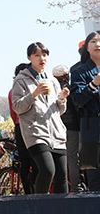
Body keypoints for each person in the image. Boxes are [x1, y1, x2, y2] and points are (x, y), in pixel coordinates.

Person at [12, 42, 69, 194]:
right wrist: (34, 94)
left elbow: (60, 110)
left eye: (44, 54)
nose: (41, 58)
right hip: (36, 132)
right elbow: (17, 107)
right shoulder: (21, 80)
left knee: (62, 175)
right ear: (29, 57)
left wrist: (62, 99)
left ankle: (62, 209)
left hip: (56, 133)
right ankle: (40, 206)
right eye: (37, 55)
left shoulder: (53, 80)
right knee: (48, 170)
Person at [71, 30, 100, 191]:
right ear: (86, 47)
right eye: (94, 41)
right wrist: (94, 84)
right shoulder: (78, 72)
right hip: (92, 127)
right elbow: (77, 100)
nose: (98, 44)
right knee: (95, 178)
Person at [8, 62, 37, 194]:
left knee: (26, 162)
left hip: (19, 128)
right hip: (25, 127)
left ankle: (29, 191)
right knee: (33, 161)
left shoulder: (12, 91)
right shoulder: (19, 90)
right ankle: (33, 190)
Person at [54, 64, 81, 192]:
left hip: (58, 129)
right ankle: (76, 187)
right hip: (73, 128)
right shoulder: (69, 89)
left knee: (64, 159)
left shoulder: (53, 90)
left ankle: (66, 188)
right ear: (66, 76)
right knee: (73, 159)